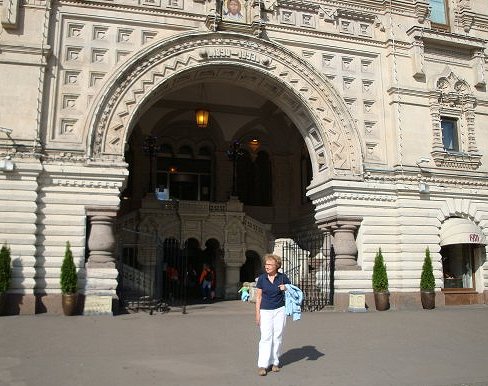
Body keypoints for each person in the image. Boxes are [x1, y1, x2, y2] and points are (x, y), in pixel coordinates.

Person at [255, 254, 291, 376]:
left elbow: (292, 290)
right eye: (266, 264)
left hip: (280, 310)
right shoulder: (261, 279)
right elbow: (258, 297)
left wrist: (285, 288)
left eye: (270, 264)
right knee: (266, 337)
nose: (267, 266)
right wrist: (257, 314)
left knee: (277, 336)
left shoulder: (282, 278)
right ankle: (263, 365)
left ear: (277, 266)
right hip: (265, 310)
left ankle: (275, 362)